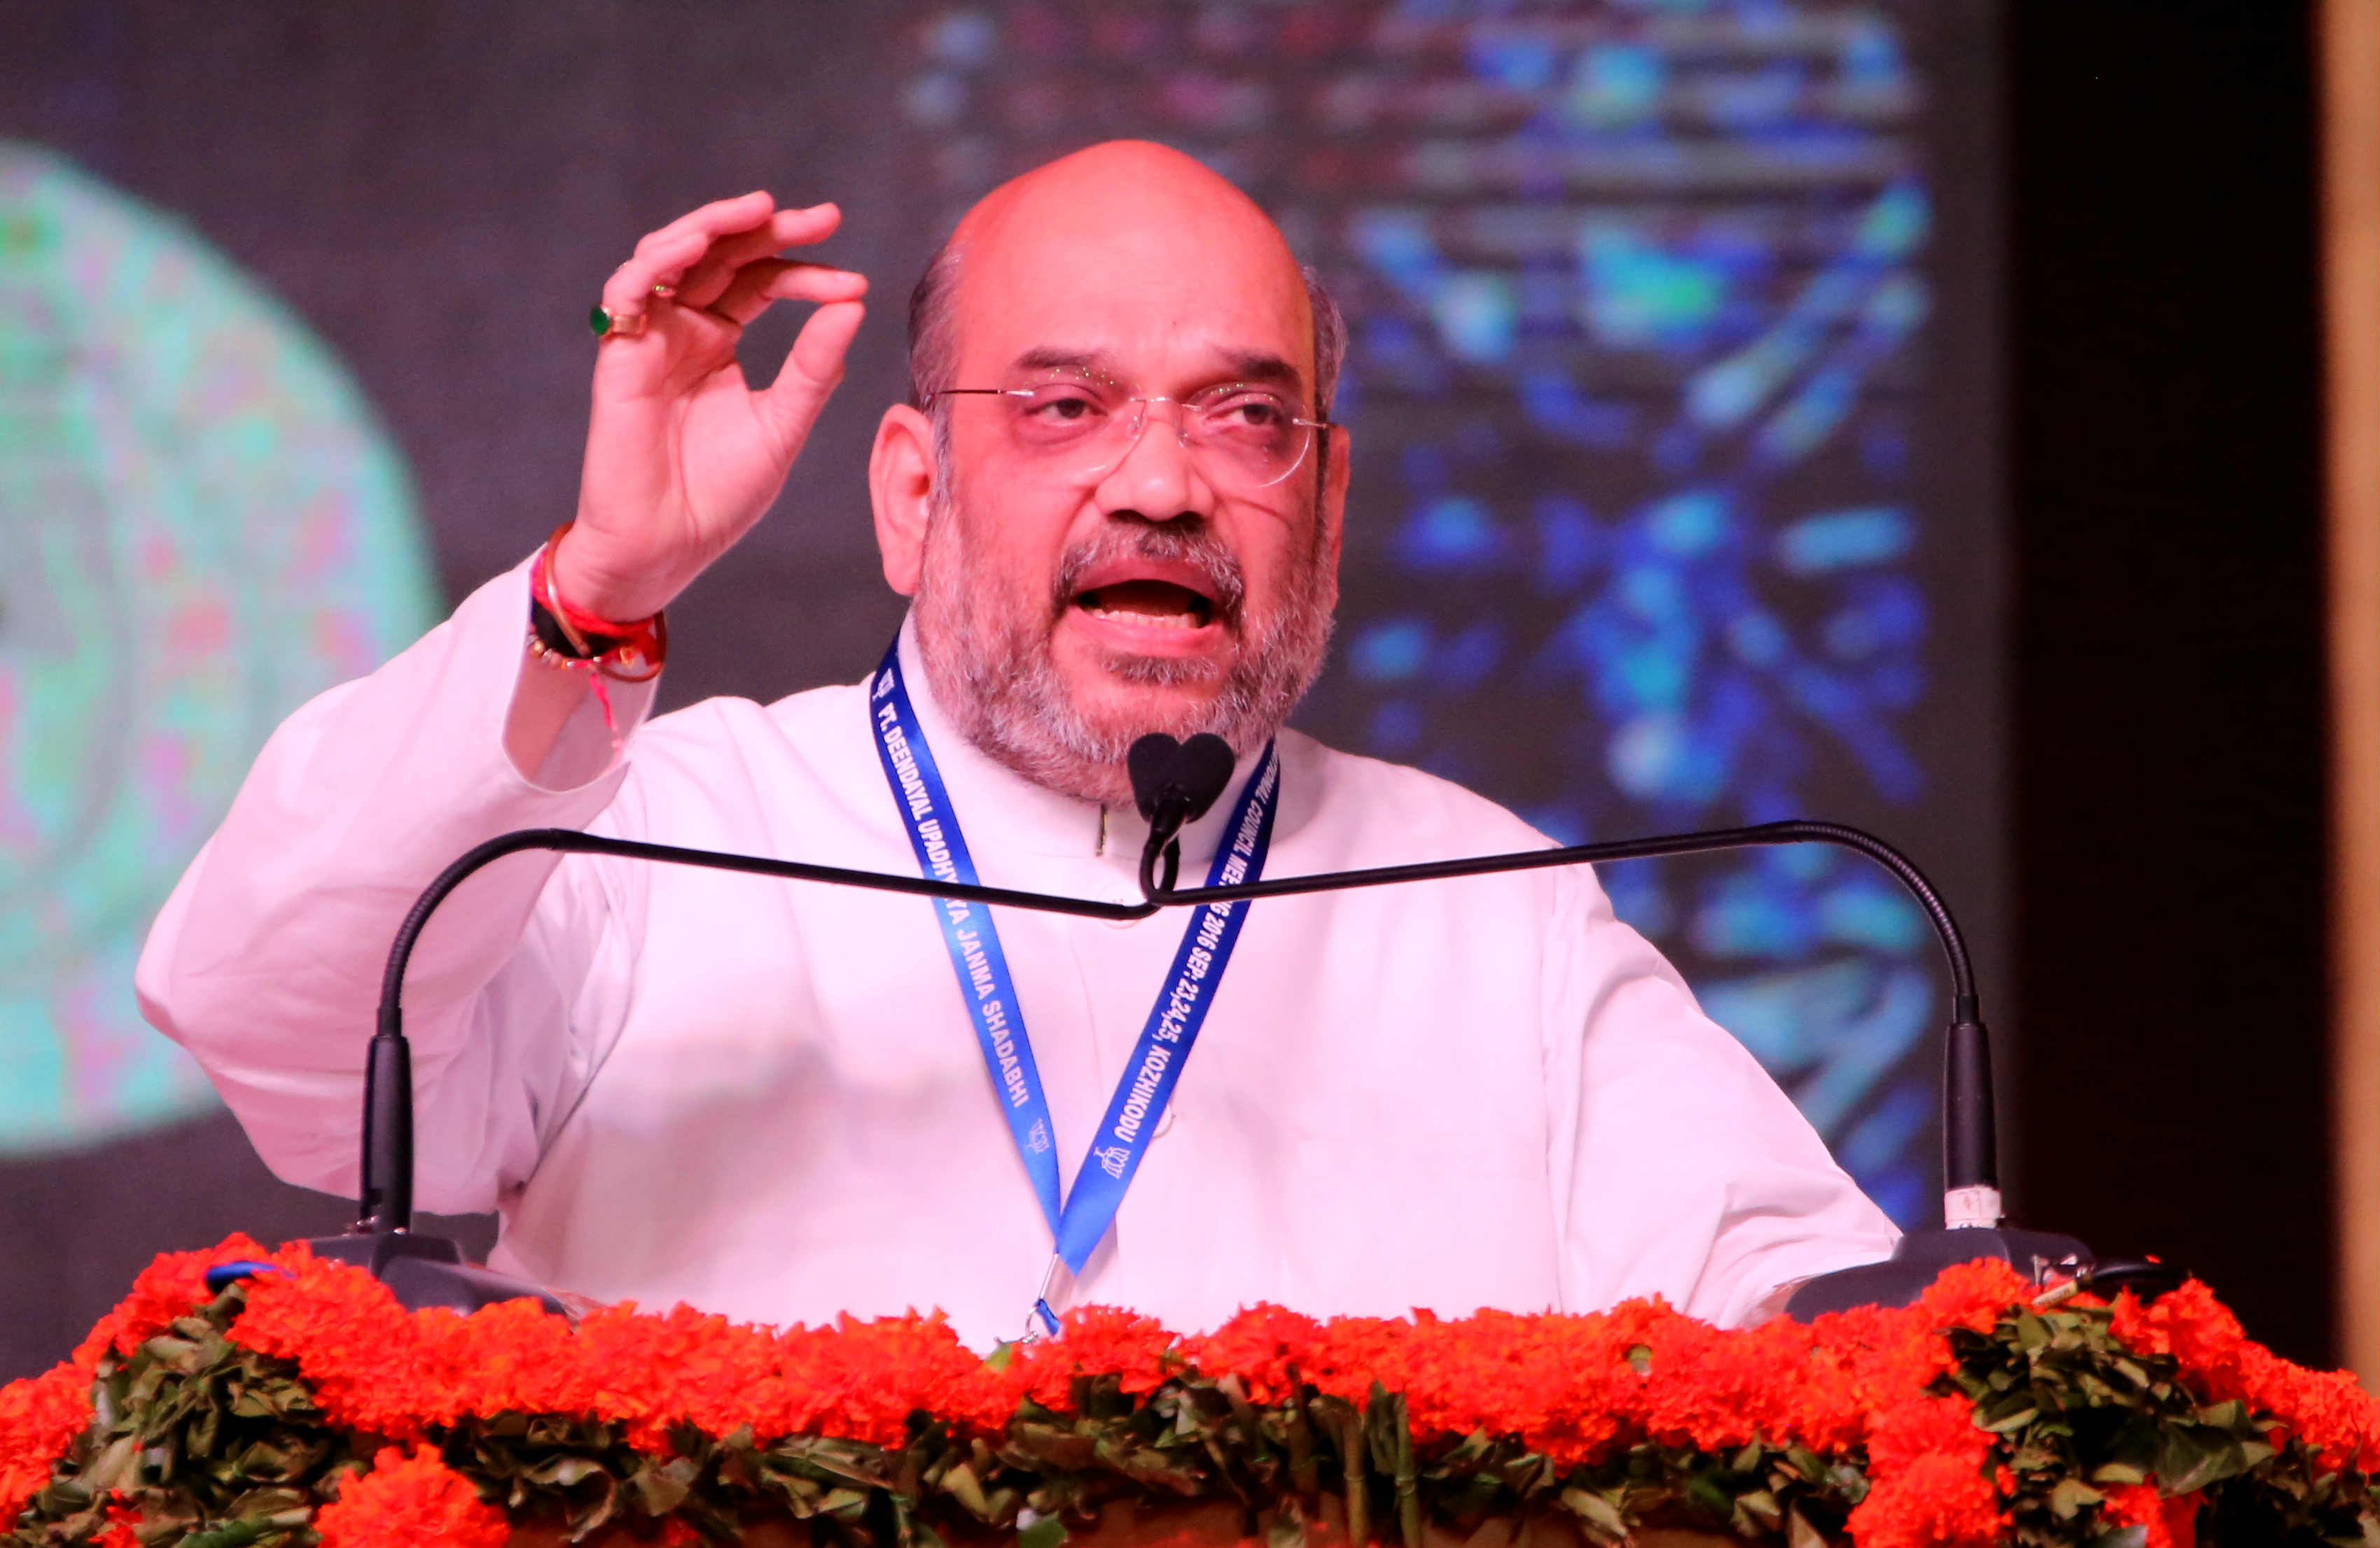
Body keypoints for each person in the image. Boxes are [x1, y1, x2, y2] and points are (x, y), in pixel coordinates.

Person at [137, 141, 1899, 1350]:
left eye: (1246, 416)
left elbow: (1808, 1317)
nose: (1159, 481)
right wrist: (598, 588)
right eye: (1061, 407)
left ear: (1328, 502)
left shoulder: (1488, 911)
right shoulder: (651, 839)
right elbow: (270, 999)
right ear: (911, 493)